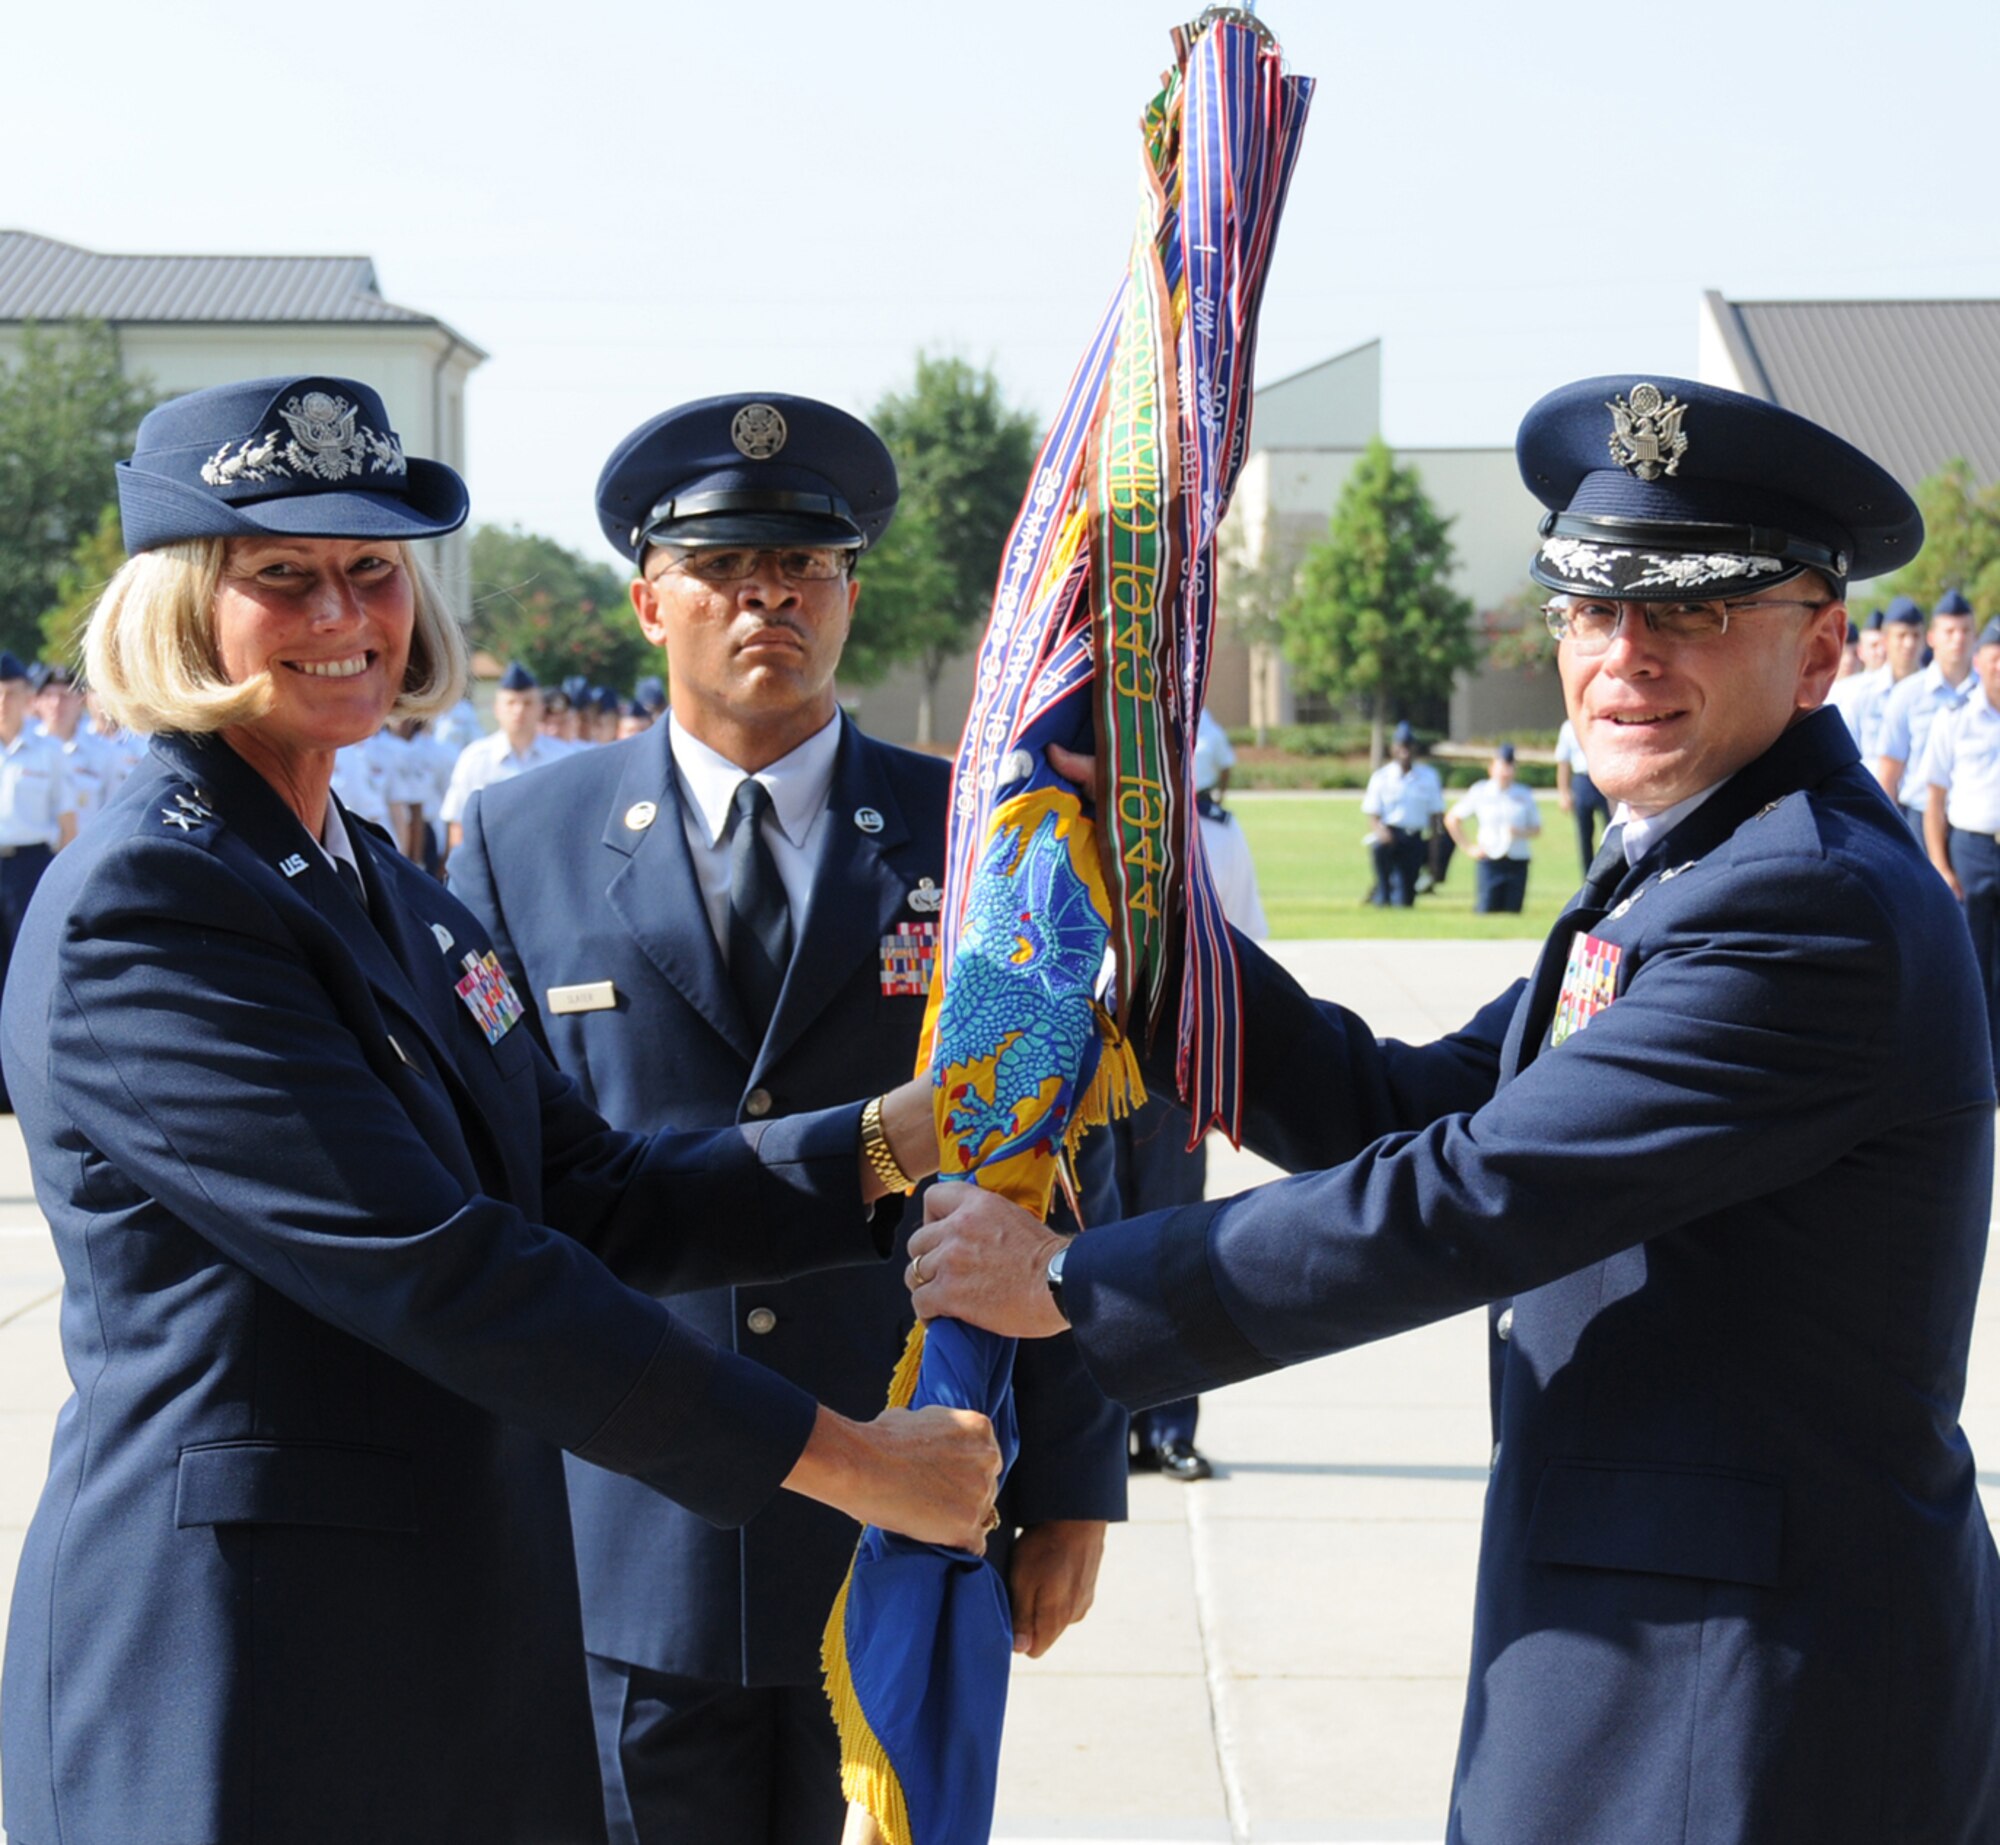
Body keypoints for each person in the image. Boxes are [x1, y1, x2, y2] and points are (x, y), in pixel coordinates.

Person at [908, 375, 2000, 1843]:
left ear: (1816, 654)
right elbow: (1411, 1104)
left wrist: (1065, 1284)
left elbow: (1473, 1191)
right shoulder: (1697, 867)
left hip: (1739, 1678)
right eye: (1591, 611)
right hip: (1652, 1622)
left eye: (1686, 612)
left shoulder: (1805, 907)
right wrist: (1153, 920)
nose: (1626, 655)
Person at [0, 375, 1001, 1845]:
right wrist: (852, 1462)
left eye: (373, 571)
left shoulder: (383, 886)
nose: (346, 613)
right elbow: (445, 1267)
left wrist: (904, 1131)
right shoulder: (158, 904)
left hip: (426, 1644)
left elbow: (587, 1193)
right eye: (283, 576)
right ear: (179, 609)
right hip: (236, 1668)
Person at [450, 393, 1126, 1845]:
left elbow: (1061, 1171)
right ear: (649, 602)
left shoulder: (976, 836)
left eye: (805, 566)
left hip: (905, 1489)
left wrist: (1075, 1475)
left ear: (850, 594)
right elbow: (500, 1187)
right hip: (634, 1518)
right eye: (723, 569)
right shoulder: (521, 836)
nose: (769, 596)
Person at [1110, 719, 1268, 1481]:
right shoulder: (1063, 821)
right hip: (1076, 1068)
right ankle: (1099, 1430)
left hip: (1171, 1068)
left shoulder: (1218, 839)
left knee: (1169, 1247)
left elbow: (1248, 954)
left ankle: (1171, 1424)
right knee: (1083, 1254)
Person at [1922, 614, 2000, 1081]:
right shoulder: (1956, 718)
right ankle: (1976, 1067)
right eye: (1995, 660)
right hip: (1971, 852)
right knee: (1972, 964)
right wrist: (1940, 865)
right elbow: (1934, 798)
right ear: (1979, 662)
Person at [439, 659, 573, 853]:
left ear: (540, 709)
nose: (519, 711)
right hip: (492, 861)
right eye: (510, 703)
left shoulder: (563, 757)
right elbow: (458, 824)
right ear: (497, 709)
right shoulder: (475, 759)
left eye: (527, 703)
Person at [1876, 588, 1977, 833]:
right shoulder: (1909, 694)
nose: (1958, 639)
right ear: (1932, 637)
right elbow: (1889, 776)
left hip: (1973, 820)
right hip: (1919, 819)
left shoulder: (1987, 693)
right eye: (1949, 631)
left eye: (1965, 631)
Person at [1444, 742, 1541, 913]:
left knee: (1512, 911)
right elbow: (1452, 819)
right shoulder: (1481, 792)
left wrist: (1519, 832)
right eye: (1502, 767)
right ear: (1492, 768)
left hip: (1517, 859)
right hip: (1490, 858)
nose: (1505, 772)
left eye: (1509, 767)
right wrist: (1468, 848)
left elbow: (1536, 829)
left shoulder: (1523, 794)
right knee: (1487, 908)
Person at [1360, 720, 1441, 906]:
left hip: (1413, 838)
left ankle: (1396, 891)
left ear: (1415, 749)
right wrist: (1381, 832)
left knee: (1404, 901)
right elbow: (1372, 814)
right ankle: (1381, 890)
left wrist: (1435, 856)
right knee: (1378, 849)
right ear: (1392, 749)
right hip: (1390, 836)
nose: (1405, 751)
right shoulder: (1382, 777)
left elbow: (1436, 816)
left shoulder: (1428, 777)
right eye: (1400, 746)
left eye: (1409, 746)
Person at [1550, 716, 1607, 877]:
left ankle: (1612, 874)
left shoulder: (1602, 721)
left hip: (1603, 777)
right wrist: (1563, 792)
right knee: (1584, 834)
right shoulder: (1568, 727)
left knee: (1612, 830)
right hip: (1582, 779)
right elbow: (1563, 762)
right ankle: (1588, 877)